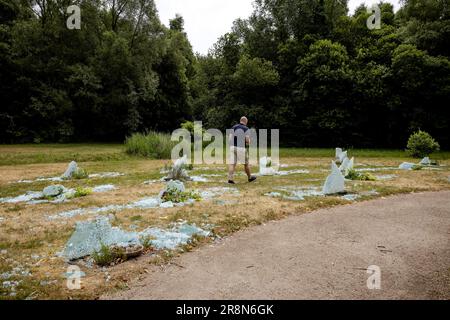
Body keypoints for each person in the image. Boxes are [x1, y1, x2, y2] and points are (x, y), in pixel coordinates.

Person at [228, 117, 257, 184]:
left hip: (232, 147)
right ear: (246, 122)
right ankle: (250, 178)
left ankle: (230, 179)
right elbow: (247, 140)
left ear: (240, 121)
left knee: (232, 164)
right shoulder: (246, 128)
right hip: (241, 148)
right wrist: (249, 141)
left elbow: (229, 138)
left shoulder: (234, 127)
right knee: (246, 164)